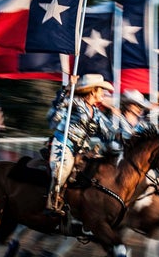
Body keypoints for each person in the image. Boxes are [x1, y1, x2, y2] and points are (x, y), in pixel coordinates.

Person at [47, 74, 119, 212]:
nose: (104, 93)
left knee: (100, 169)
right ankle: (53, 200)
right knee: (63, 167)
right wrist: (67, 90)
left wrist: (116, 121)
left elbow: (108, 134)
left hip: (83, 149)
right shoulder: (74, 101)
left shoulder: (97, 113)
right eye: (101, 90)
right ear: (93, 91)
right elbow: (56, 113)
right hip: (64, 143)